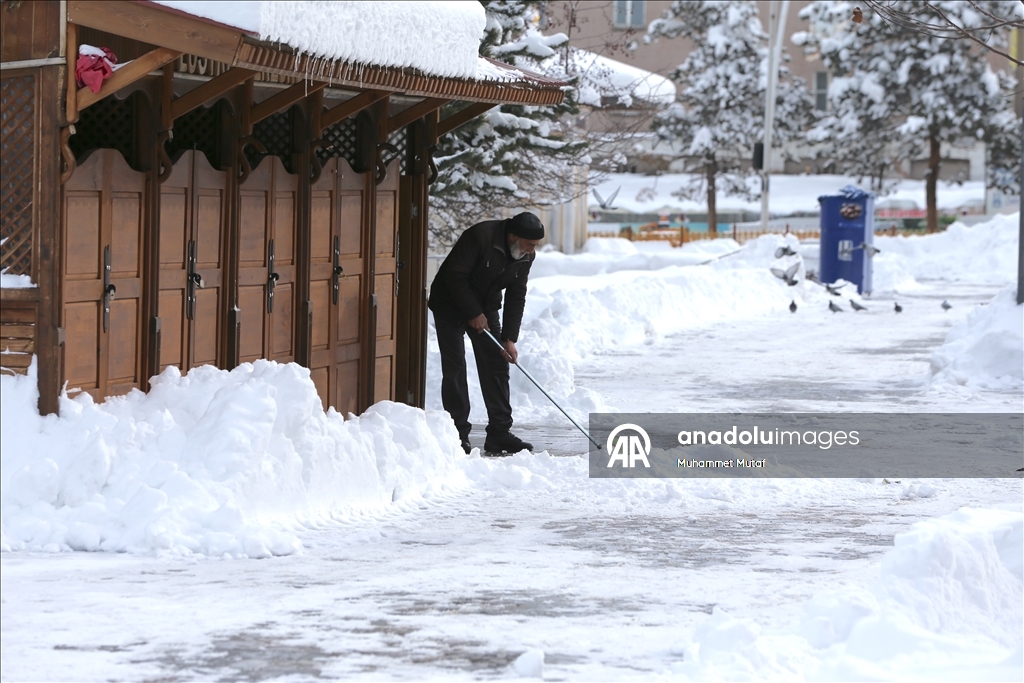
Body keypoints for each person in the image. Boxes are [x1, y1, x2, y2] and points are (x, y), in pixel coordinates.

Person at [428, 212, 544, 455]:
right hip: (449, 304)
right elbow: (454, 276)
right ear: (513, 236)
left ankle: (499, 434)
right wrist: (472, 312)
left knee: (497, 363)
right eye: (530, 244)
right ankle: (457, 434)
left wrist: (509, 339)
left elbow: (516, 294)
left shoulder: (525, 255)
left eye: (535, 246)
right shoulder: (480, 237)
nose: (532, 251)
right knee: (455, 368)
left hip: (486, 306)